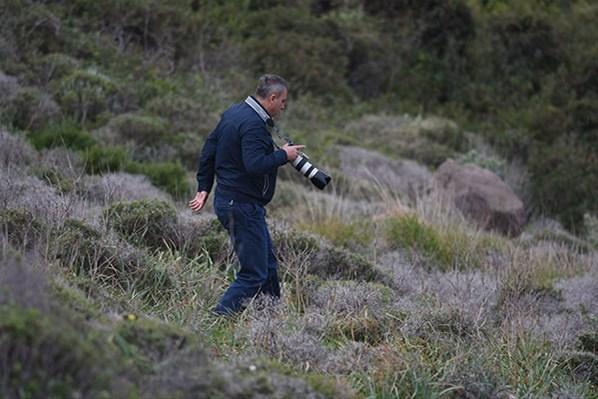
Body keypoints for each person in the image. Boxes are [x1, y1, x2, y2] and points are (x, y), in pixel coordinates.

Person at [188, 74, 304, 315]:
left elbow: (209, 149)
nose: (284, 106)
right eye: (283, 101)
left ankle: (270, 319)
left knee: (269, 266)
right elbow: (255, 164)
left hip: (234, 201)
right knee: (254, 273)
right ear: (272, 98)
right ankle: (219, 317)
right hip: (241, 205)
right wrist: (285, 155)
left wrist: (204, 187)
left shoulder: (234, 113)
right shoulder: (252, 124)